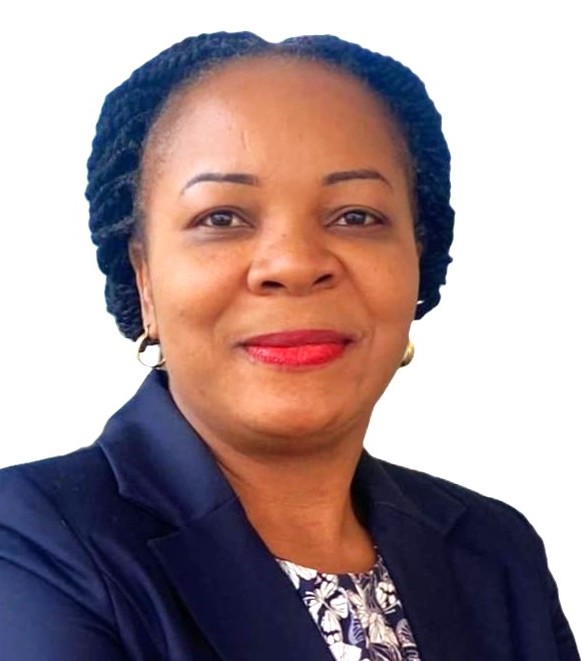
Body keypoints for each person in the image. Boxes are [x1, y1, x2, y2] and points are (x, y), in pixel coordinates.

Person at [0, 31, 577, 661]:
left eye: (355, 216)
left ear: (419, 260)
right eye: (222, 218)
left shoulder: (497, 551)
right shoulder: (29, 542)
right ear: (143, 278)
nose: (295, 264)